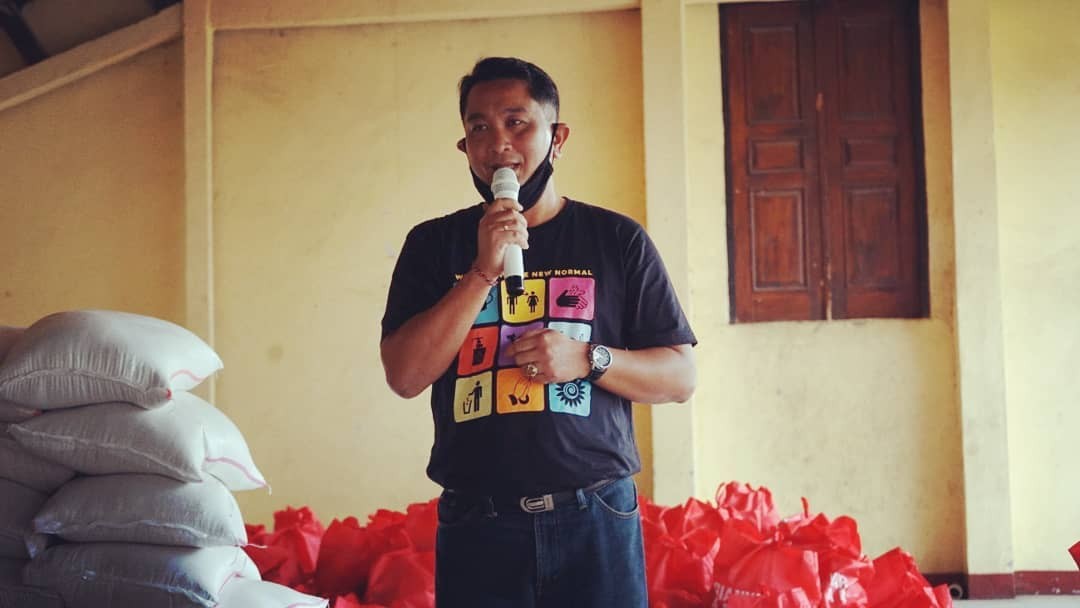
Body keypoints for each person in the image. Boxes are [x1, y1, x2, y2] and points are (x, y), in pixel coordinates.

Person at [380, 56, 696, 608]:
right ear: (465, 148)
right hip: (478, 523)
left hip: (595, 515)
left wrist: (588, 359)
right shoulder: (431, 245)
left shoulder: (616, 239)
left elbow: (679, 377)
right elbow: (404, 376)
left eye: (517, 122)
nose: (498, 143)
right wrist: (482, 272)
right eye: (480, 127)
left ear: (557, 138)